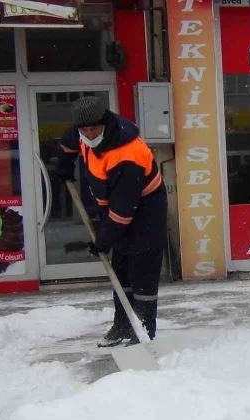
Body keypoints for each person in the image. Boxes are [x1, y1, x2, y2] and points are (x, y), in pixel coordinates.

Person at [55, 97, 168, 347]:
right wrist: (63, 165)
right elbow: (68, 144)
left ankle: (143, 331)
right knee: (121, 267)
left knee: (142, 269)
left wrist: (104, 240)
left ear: (104, 123)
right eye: (84, 130)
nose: (88, 134)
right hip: (115, 208)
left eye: (93, 129)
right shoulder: (82, 134)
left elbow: (123, 210)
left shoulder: (127, 154)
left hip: (146, 210)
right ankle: (123, 325)